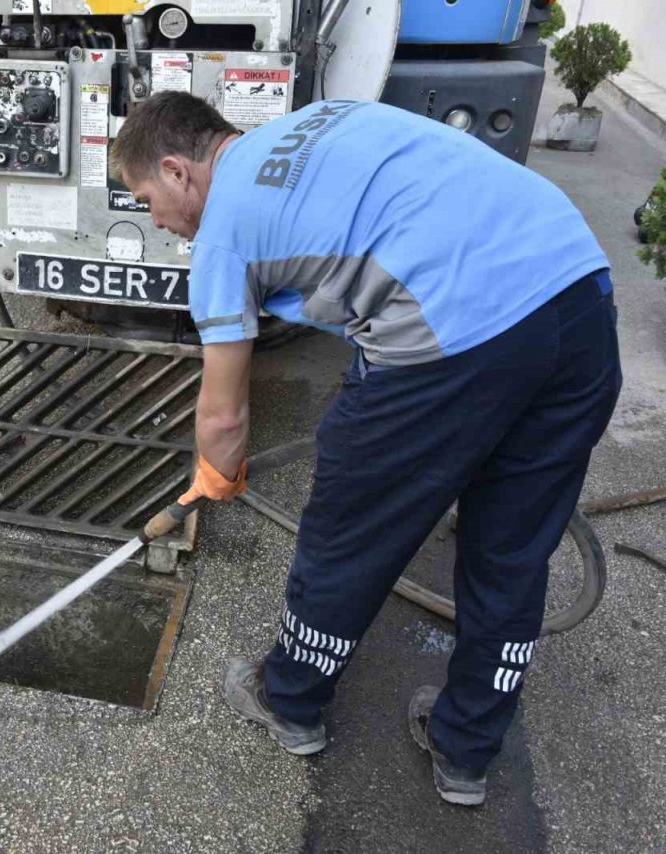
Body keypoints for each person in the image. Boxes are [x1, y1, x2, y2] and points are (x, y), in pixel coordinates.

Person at [111, 92, 621, 807]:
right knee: (512, 548)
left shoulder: (223, 233)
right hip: (579, 295)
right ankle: (465, 750)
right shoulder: (322, 116)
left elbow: (223, 415)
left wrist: (215, 477)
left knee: (346, 530)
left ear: (176, 171)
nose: (160, 222)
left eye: (147, 200)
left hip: (456, 330)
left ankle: (289, 700)